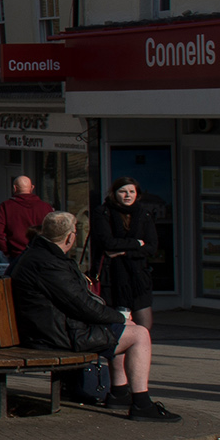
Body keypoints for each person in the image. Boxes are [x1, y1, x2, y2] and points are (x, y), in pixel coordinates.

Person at [12, 209, 174, 421]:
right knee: (140, 334)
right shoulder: (49, 264)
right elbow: (82, 306)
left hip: (49, 328)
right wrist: (119, 318)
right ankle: (142, 404)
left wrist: (117, 320)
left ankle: (119, 393)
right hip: (56, 335)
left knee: (128, 330)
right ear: (70, 236)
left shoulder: (38, 255)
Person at [94, 180, 161, 332]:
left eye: (131, 191)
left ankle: (140, 354)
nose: (127, 195)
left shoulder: (144, 213)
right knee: (117, 326)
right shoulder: (104, 212)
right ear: (114, 193)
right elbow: (108, 243)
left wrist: (124, 251)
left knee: (144, 326)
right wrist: (137, 244)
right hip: (112, 277)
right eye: (123, 191)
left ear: (137, 194)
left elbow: (151, 247)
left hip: (138, 277)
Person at [0, 174, 53, 260]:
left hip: (17, 254)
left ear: (14, 188)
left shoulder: (6, 206)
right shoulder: (45, 207)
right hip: (41, 253)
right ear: (32, 188)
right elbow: (52, 230)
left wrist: (6, 250)